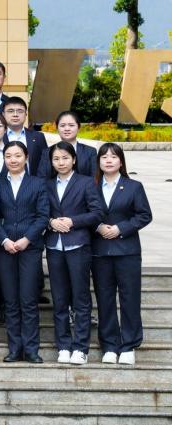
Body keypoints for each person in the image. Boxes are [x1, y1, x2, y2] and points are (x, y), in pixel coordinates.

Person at [45, 141, 105, 365]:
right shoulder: (46, 184)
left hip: (78, 245)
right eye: (56, 159)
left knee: (81, 298)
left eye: (65, 158)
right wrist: (51, 222)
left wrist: (73, 221)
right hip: (54, 246)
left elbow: (97, 213)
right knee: (59, 298)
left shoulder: (86, 182)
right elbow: (41, 212)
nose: (60, 162)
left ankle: (81, 347)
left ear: (74, 160)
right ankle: (63, 345)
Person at [93, 143, 153, 366]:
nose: (108, 160)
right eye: (104, 157)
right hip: (100, 251)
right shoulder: (91, 186)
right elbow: (84, 213)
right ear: (98, 162)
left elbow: (144, 215)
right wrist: (98, 226)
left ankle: (128, 345)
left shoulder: (133, 186)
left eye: (113, 156)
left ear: (121, 161)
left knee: (129, 297)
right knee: (105, 299)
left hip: (127, 251)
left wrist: (120, 228)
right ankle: (109, 345)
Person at [0, 141, 50, 364]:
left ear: (26, 158)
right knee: (10, 301)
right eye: (8, 156)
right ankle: (14, 348)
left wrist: (27, 239)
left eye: (18, 155)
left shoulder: (38, 184)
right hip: (5, 248)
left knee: (28, 300)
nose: (13, 160)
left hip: (30, 248)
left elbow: (43, 216)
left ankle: (31, 349)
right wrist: (5, 240)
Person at [38, 111, 98, 178]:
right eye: (62, 125)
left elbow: (95, 179)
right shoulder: (47, 152)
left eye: (71, 125)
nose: (67, 129)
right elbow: (41, 178)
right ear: (57, 128)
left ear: (78, 127)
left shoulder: (90, 152)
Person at [1, 97, 46, 175]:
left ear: (25, 114)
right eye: (10, 111)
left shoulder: (38, 137)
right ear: (3, 114)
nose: (15, 115)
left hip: (33, 181)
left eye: (20, 111)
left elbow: (45, 163)